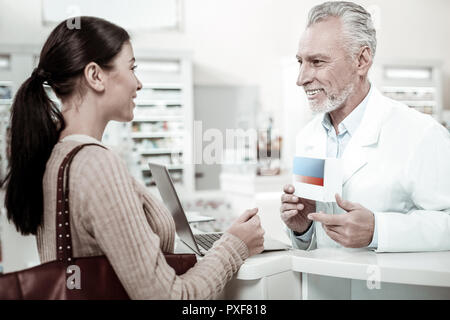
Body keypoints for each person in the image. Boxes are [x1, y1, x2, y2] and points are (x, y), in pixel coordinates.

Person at [1, 16, 265, 299]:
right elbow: (170, 297)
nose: (138, 83)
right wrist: (234, 244)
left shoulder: (55, 154)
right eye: (132, 68)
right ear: (95, 76)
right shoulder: (96, 164)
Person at [280, 1, 450, 253]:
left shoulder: (421, 134)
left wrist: (379, 230)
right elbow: (318, 239)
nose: (301, 78)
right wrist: (302, 228)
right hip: (320, 288)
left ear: (361, 60)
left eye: (316, 62)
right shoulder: (308, 138)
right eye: (300, 62)